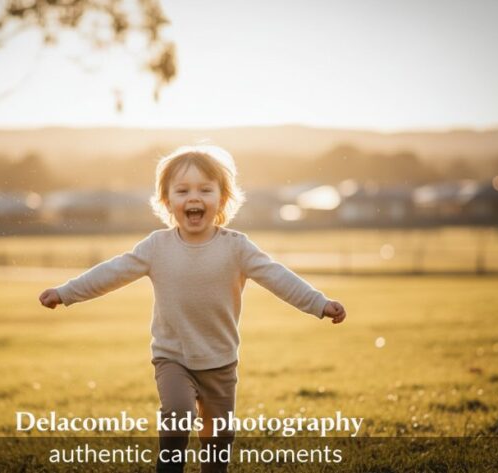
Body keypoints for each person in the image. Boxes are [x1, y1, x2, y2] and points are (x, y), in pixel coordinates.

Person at [38, 144, 347, 472]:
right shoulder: (156, 247)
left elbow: (278, 277)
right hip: (173, 358)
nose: (193, 197)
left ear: (222, 199)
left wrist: (319, 303)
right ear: (168, 201)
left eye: (205, 189)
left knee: (217, 447)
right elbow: (112, 272)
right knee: (179, 415)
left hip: (221, 363)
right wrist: (65, 292)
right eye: (182, 190)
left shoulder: (236, 247)